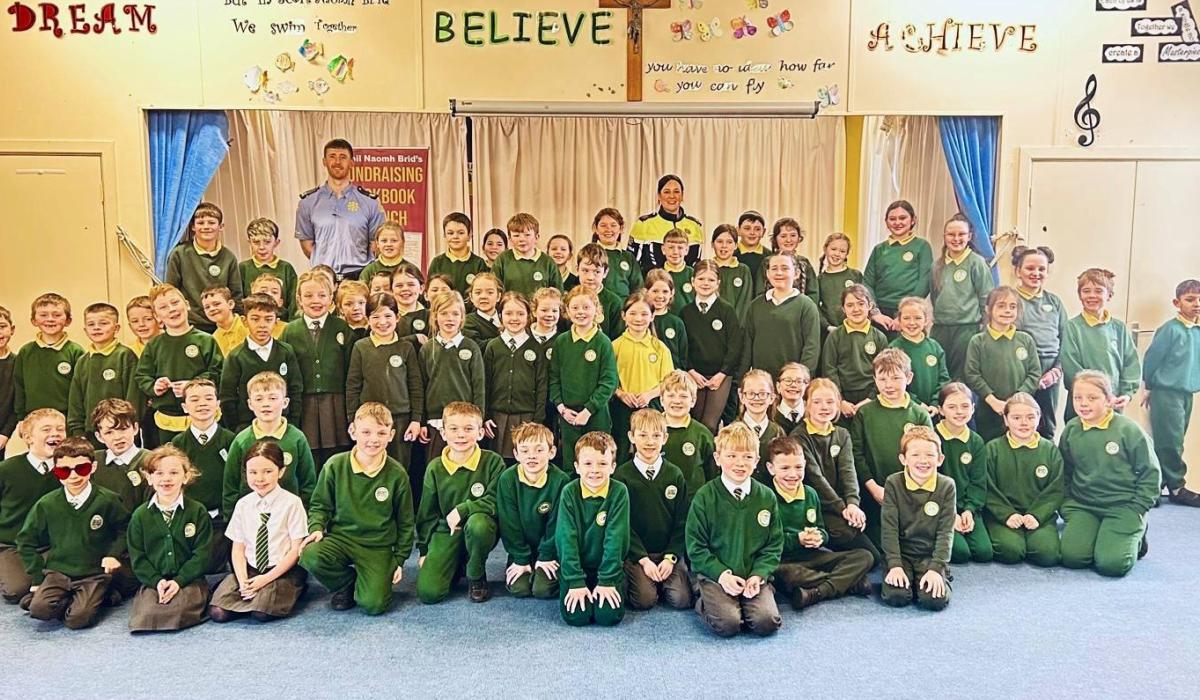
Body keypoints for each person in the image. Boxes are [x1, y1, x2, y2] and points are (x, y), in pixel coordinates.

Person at [300, 403, 415, 614]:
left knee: (373, 605)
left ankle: (368, 582)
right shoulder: (335, 465)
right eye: (366, 432)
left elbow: (406, 522)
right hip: (341, 539)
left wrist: (399, 559)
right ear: (353, 431)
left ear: (391, 435)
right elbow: (320, 505)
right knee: (310, 555)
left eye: (381, 433)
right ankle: (346, 583)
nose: (374, 439)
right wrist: (316, 527)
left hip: (377, 546)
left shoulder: (397, 474)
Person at [17, 436, 130, 629]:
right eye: (64, 471)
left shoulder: (108, 500)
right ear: (56, 471)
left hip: (93, 573)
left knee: (78, 620)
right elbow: (25, 540)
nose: (74, 476)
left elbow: (126, 529)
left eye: (81, 468)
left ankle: (101, 594)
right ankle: (89, 597)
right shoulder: (47, 504)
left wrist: (113, 554)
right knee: (39, 610)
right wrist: (37, 577)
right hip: (57, 572)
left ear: (93, 467)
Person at [685, 422, 783, 638]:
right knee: (728, 625)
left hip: (751, 576)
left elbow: (773, 546)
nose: (740, 463)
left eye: (747, 457)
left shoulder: (766, 497)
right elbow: (696, 548)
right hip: (716, 575)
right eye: (731, 456)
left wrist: (758, 575)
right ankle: (703, 596)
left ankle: (755, 596)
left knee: (766, 623)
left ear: (756, 461)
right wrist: (722, 575)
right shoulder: (705, 497)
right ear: (718, 458)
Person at [1060, 371, 1160, 576]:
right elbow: (1065, 471)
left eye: (1092, 397)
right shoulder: (1071, 429)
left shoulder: (1128, 430)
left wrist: (1139, 507)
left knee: (1111, 565)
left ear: (1108, 399)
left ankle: (1137, 534)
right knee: (1073, 558)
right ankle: (1101, 534)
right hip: (1084, 505)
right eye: (1077, 397)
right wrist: (1067, 503)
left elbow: (1150, 472)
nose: (1083, 403)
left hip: (1123, 505)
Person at [767, 436, 872, 610]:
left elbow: (823, 531)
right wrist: (797, 539)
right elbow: (767, 543)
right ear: (771, 469)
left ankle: (818, 592)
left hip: (812, 556)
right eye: (785, 468)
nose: (793, 474)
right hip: (784, 560)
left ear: (805, 465)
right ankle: (849, 582)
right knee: (786, 574)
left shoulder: (810, 494)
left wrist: (819, 538)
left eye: (799, 467)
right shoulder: (766, 497)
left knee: (864, 556)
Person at [209, 439, 308, 622]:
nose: (260, 479)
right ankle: (248, 591)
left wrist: (265, 579)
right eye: (252, 472)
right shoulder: (243, 504)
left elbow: (296, 550)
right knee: (218, 613)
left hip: (280, 569)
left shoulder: (292, 503)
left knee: (262, 612)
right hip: (251, 569)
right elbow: (238, 548)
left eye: (268, 471)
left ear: (281, 471)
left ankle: (295, 588)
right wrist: (242, 580)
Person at [415, 402, 504, 604]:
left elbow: (496, 501)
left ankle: (476, 574)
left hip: (480, 528)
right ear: (443, 433)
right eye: (453, 429)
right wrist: (423, 550)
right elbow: (426, 513)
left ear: (480, 433)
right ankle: (457, 564)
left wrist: (464, 509)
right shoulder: (435, 467)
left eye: (468, 429)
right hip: (447, 531)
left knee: (478, 524)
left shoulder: (493, 461)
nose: (461, 435)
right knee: (429, 593)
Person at [850, 349, 933, 547]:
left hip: (911, 494)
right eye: (883, 379)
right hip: (874, 493)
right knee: (880, 547)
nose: (889, 385)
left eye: (896, 378)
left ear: (909, 377)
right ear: (874, 379)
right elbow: (856, 454)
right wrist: (873, 488)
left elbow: (927, 458)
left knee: (920, 544)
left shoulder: (920, 415)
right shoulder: (864, 413)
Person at [125, 446, 213, 632]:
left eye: (174, 472)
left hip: (188, 579)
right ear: (149, 478)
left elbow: (202, 554)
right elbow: (138, 557)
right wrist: (157, 581)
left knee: (179, 609)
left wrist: (179, 581)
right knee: (146, 616)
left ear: (186, 476)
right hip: (155, 580)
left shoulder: (197, 511)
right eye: (159, 473)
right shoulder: (140, 516)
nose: (166, 479)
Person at [790, 379, 878, 564]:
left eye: (830, 402)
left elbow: (849, 472)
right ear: (806, 405)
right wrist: (842, 508)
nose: (824, 407)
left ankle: (836, 563)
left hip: (841, 507)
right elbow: (815, 478)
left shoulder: (842, 434)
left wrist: (853, 504)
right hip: (817, 506)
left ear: (838, 404)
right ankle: (829, 562)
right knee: (865, 555)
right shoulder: (799, 436)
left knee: (874, 556)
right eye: (817, 402)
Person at [614, 408, 691, 611]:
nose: (650, 442)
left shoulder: (675, 474)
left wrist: (671, 557)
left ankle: (665, 579)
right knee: (644, 601)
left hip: (667, 553)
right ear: (631, 436)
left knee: (682, 600)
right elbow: (623, 525)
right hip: (638, 555)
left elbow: (682, 521)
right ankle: (644, 579)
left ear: (665, 438)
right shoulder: (622, 476)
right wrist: (643, 560)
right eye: (643, 435)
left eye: (656, 435)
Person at [280, 270, 354, 469]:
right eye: (309, 295)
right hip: (304, 404)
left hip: (336, 404)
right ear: (299, 299)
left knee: (337, 454)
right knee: (309, 455)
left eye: (322, 295)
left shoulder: (342, 328)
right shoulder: (290, 331)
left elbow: (351, 371)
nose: (316, 300)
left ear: (331, 298)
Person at [555, 431, 630, 627]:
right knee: (576, 617)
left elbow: (616, 539)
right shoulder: (569, 492)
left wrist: (607, 580)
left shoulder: (619, 492)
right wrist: (575, 581)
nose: (595, 470)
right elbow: (566, 539)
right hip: (576, 567)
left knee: (608, 617)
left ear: (613, 467)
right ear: (577, 467)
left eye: (602, 464)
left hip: (607, 568)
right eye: (588, 464)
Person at [134, 284, 223, 445]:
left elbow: (217, 371)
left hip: (201, 417)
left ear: (187, 305)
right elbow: (142, 375)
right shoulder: (154, 345)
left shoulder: (206, 340)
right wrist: (154, 386)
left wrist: (192, 386)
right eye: (163, 307)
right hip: (166, 420)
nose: (171, 309)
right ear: (157, 316)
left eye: (175, 303)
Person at [220, 372, 317, 520]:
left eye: (272, 398)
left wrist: (306, 519)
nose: (266, 404)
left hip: (289, 517)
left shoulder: (297, 439)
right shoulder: (241, 441)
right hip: (250, 518)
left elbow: (308, 484)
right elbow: (230, 487)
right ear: (250, 404)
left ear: (285, 402)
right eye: (259, 399)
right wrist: (232, 522)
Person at [983, 393, 1063, 567]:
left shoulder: (1050, 450)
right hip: (1003, 516)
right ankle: (1014, 538)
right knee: (1010, 551)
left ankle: (1035, 538)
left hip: (1038, 515)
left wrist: (1037, 515)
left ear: (1039, 418)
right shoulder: (992, 449)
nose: (1024, 423)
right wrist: (1007, 515)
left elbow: (1056, 489)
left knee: (1047, 555)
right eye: (1016, 417)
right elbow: (987, 489)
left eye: (1030, 417)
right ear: (1006, 420)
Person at [880, 426, 955, 611]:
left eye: (930, 455)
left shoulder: (947, 486)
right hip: (902, 554)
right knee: (896, 596)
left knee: (933, 601)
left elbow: (946, 532)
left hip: (929, 555)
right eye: (915, 455)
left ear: (940, 459)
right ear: (903, 459)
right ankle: (906, 576)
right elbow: (889, 528)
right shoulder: (893, 483)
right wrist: (895, 565)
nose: (923, 461)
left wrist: (936, 567)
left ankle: (941, 575)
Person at [346, 294, 424, 467]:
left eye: (388, 316)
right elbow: (353, 386)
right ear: (367, 319)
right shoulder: (361, 347)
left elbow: (415, 386)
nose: (382, 322)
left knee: (400, 466)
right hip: (369, 420)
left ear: (397, 317)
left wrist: (416, 419)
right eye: (375, 317)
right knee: (370, 464)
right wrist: (352, 419)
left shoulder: (406, 347)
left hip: (401, 419)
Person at [495, 422, 570, 599]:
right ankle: (523, 563)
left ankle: (547, 570)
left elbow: (557, 525)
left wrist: (546, 556)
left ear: (551, 452)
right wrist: (520, 558)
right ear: (516, 454)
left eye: (539, 450)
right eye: (525, 451)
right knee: (520, 589)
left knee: (541, 590)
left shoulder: (561, 481)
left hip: (551, 551)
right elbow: (508, 524)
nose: (532, 456)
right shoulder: (507, 479)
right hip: (520, 549)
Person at [1142, 279, 1200, 506]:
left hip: (1186, 393)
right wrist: (1149, 387)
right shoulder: (1170, 330)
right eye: (1190, 299)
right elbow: (1152, 359)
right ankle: (1174, 485)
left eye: (1199, 300)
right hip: (1167, 392)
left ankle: (1165, 483)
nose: (1196, 304)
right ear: (1177, 303)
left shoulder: (1196, 330)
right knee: (1169, 442)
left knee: (1177, 439)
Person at [295, 139, 386, 281]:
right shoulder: (308, 202)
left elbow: (375, 245)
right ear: (324, 161)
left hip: (359, 278)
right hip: (322, 279)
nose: (337, 162)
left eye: (343, 157)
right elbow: (307, 245)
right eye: (332, 156)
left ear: (351, 163)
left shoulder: (370, 202)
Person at [549, 287, 619, 472]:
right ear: (567, 311)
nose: (581, 312)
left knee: (598, 462)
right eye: (575, 308)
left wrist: (588, 410)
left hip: (596, 415)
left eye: (586, 307)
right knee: (571, 465)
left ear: (596, 309)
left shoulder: (603, 342)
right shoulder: (561, 342)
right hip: (568, 416)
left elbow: (609, 381)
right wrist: (561, 408)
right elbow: (554, 378)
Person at [0, 409, 64, 604]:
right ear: (28, 437)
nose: (55, 434)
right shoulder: (7, 470)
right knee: (17, 590)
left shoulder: (71, 470)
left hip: (52, 544)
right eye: (46, 429)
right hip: (12, 544)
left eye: (60, 429)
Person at [171, 378, 235, 572]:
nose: (202, 404)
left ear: (218, 404)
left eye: (208, 398)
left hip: (223, 519)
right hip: (191, 518)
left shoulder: (231, 440)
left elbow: (238, 482)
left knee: (218, 567)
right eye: (195, 399)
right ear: (184, 406)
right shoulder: (178, 443)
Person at [1061, 268, 1140, 423]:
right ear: (1080, 295)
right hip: (1082, 405)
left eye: (1098, 291)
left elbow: (1131, 363)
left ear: (1109, 295)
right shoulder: (1073, 327)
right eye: (1086, 291)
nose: (1092, 295)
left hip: (1112, 403)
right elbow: (1070, 365)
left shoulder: (1119, 328)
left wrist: (1126, 394)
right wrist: (1094, 396)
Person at [964, 286, 1042, 441]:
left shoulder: (1025, 340)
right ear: (988, 309)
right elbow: (972, 374)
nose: (1007, 310)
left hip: (1020, 411)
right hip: (989, 410)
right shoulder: (978, 341)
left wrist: (1015, 401)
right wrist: (993, 401)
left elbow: (1034, 373)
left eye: (1012, 307)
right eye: (1001, 306)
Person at [218, 295, 302, 433]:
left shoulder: (286, 352)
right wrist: (237, 429)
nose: (262, 325)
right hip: (247, 427)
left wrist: (292, 424)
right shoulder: (235, 357)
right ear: (245, 321)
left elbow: (295, 390)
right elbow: (227, 398)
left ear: (276, 322)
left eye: (268, 319)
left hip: (282, 425)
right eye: (255, 319)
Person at [418, 291, 486, 460]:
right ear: (435, 316)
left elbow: (479, 387)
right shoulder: (428, 349)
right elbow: (420, 387)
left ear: (462, 317)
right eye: (444, 313)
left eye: (455, 314)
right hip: (435, 422)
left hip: (465, 423)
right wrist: (421, 421)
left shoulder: (471, 347)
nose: (450, 318)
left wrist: (479, 420)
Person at [483, 292, 548, 460]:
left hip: (526, 417)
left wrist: (537, 420)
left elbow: (542, 385)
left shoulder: (535, 347)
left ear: (529, 316)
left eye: (520, 314)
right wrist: (486, 416)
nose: (514, 318)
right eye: (509, 313)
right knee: (498, 461)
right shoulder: (493, 347)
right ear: (500, 315)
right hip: (497, 418)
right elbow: (485, 384)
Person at [1012, 246, 1068, 438]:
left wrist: (1057, 370)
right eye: (1030, 268)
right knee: (1017, 420)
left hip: (1049, 370)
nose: (1036, 273)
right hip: (1018, 369)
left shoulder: (1054, 302)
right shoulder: (1009, 299)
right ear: (1018, 271)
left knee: (1046, 424)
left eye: (1041, 269)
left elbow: (1065, 340)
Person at [680, 261, 742, 434]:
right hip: (695, 375)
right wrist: (691, 371)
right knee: (695, 421)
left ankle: (713, 461)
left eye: (711, 280)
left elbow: (735, 345)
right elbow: (683, 346)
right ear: (692, 281)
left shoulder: (727, 310)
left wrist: (722, 374)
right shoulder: (686, 312)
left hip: (720, 376)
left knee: (709, 424)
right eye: (701, 279)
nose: (705, 283)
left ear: (718, 283)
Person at [930, 214, 994, 381]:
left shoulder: (977, 263)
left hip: (967, 329)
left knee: (962, 378)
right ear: (944, 237)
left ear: (969, 236)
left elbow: (986, 298)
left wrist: (985, 329)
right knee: (941, 375)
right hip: (941, 328)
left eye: (961, 234)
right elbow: (935, 296)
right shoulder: (937, 265)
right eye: (951, 234)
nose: (956, 239)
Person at [611, 291, 674, 461]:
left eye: (644, 314)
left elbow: (668, 383)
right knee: (622, 450)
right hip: (622, 405)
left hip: (650, 404)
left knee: (650, 449)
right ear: (624, 316)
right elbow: (608, 379)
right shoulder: (614, 346)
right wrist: (621, 393)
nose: (638, 319)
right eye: (632, 313)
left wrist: (649, 395)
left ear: (653, 316)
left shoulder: (660, 348)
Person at [740, 253, 821, 380]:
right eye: (774, 268)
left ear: (796, 274)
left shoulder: (806, 306)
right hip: (762, 383)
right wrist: (741, 378)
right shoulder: (755, 306)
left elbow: (811, 348)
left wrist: (802, 379)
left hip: (792, 382)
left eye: (785, 268)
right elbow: (746, 347)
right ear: (767, 274)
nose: (779, 273)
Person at [936, 383, 993, 564]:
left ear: (973, 408)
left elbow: (978, 482)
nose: (959, 412)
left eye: (965, 406)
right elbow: (930, 482)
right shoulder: (933, 438)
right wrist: (951, 514)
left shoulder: (976, 441)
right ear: (941, 410)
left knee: (984, 553)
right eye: (952, 407)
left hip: (966, 506)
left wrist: (969, 510)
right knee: (960, 553)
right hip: (940, 509)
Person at [166, 202, 243, 332]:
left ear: (221, 226)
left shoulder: (229, 257)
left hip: (223, 325)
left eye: (211, 223)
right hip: (191, 324)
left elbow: (236, 294)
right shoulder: (179, 254)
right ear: (193, 227)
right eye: (201, 223)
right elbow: (171, 291)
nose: (206, 227)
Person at [67, 302, 139, 437]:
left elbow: (134, 396)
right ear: (85, 330)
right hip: (91, 433)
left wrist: (125, 425)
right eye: (91, 324)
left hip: (120, 430)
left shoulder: (125, 356)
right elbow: (75, 400)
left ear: (116, 328)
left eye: (103, 323)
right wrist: (78, 431)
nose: (96, 328)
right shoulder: (83, 361)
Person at [864, 200, 933, 336]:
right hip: (880, 315)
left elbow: (924, 282)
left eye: (902, 218)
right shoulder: (879, 249)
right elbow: (867, 283)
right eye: (892, 219)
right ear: (886, 222)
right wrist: (875, 313)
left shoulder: (922, 246)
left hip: (908, 316)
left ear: (913, 220)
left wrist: (905, 314)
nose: (897, 222)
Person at [820, 283, 890, 415]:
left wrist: (871, 398)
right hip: (842, 398)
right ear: (843, 309)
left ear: (869, 306)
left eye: (861, 304)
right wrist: (840, 400)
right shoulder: (835, 337)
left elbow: (884, 372)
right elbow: (829, 370)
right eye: (850, 305)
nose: (856, 309)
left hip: (871, 398)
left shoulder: (879, 337)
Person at [13, 292, 85, 419]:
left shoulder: (76, 352)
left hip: (66, 418)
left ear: (68, 320)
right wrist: (20, 417)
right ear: (34, 321)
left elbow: (81, 391)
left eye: (57, 315)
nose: (50, 319)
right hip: (33, 418)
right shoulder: (25, 352)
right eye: (43, 315)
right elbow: (19, 386)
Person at [659, 371, 717, 508]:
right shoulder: (652, 432)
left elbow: (712, 474)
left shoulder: (703, 435)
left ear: (693, 401)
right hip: (658, 504)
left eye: (683, 396)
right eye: (671, 395)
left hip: (693, 505)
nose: (677, 401)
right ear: (661, 400)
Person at [627, 174, 703, 272]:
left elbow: (698, 266)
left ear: (682, 195)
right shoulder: (643, 224)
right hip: (652, 284)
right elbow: (632, 265)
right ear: (659, 196)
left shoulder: (694, 226)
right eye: (667, 192)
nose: (672, 196)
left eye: (676, 192)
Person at [889, 296, 951, 413]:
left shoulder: (935, 347)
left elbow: (944, 379)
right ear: (899, 320)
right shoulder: (894, 349)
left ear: (926, 320)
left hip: (933, 410)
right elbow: (892, 382)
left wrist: (935, 402)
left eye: (918, 318)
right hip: (907, 409)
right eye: (906, 318)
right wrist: (916, 403)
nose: (912, 323)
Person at [88, 399, 149, 513]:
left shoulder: (150, 461)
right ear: (99, 436)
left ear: (135, 428)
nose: (117, 437)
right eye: (109, 432)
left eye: (123, 429)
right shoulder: (93, 462)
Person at [240, 218, 299, 322]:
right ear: (249, 242)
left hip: (282, 324)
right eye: (256, 242)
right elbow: (239, 301)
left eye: (267, 242)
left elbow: (293, 303)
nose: (262, 247)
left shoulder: (286, 268)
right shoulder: (243, 268)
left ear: (276, 242)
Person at [492, 213, 562, 297]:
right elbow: (494, 290)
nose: (522, 239)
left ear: (537, 237)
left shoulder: (548, 262)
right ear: (510, 239)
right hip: (510, 309)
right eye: (516, 235)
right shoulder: (502, 260)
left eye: (527, 235)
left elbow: (557, 294)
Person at [736, 369, 785, 480]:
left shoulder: (778, 432)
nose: (756, 398)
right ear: (741, 396)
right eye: (751, 393)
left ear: (772, 398)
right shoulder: (731, 432)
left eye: (763, 394)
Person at [427, 212, 490, 295]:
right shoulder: (437, 262)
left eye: (461, 233)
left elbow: (483, 292)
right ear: (444, 236)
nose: (455, 237)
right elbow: (431, 292)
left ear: (469, 235)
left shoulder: (479, 263)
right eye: (450, 233)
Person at [591, 208, 643, 300]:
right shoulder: (589, 253)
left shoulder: (628, 257)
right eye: (603, 225)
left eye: (613, 225)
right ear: (595, 228)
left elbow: (638, 288)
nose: (608, 229)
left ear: (621, 228)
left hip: (623, 308)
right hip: (595, 305)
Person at [574, 244, 623, 339]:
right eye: (585, 270)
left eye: (597, 272)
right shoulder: (569, 299)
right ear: (577, 270)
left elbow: (617, 338)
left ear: (605, 272)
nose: (590, 277)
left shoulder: (614, 303)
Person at [816, 233, 864, 331]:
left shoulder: (856, 275)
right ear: (825, 249)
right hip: (829, 332)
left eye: (842, 251)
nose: (837, 254)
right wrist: (827, 327)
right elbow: (815, 308)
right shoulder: (819, 280)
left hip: (855, 329)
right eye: (833, 249)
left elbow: (865, 303)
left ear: (846, 254)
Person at [768, 217, 820, 306]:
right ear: (775, 239)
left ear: (799, 238)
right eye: (783, 236)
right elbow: (760, 292)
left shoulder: (804, 263)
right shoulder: (767, 262)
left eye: (793, 235)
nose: (788, 240)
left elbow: (813, 293)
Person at [644, 269, 689, 370]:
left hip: (672, 378)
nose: (660, 296)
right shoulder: (641, 321)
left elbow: (683, 358)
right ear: (646, 291)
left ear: (672, 293)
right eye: (655, 291)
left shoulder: (676, 323)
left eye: (665, 291)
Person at [711, 224, 754, 317]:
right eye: (719, 241)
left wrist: (733, 323)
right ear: (712, 244)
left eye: (729, 242)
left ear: (736, 245)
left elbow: (745, 302)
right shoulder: (707, 269)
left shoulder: (743, 270)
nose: (724, 246)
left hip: (735, 326)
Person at [202, 286, 247, 357]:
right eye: (207, 307)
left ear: (230, 304)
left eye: (216, 304)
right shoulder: (213, 340)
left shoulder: (248, 325)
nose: (212, 309)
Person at [661, 229, 696, 316]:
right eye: (671, 247)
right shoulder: (657, 276)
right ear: (663, 249)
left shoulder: (694, 275)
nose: (675, 252)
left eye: (680, 248)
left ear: (687, 250)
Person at [463, 272, 504, 346]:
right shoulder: (467, 322)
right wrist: (507, 338)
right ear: (471, 296)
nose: (483, 296)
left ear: (498, 296)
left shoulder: (506, 318)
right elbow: (477, 346)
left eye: (490, 292)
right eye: (478, 293)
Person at [734, 211, 769, 297]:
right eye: (747, 228)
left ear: (763, 232)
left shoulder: (771, 257)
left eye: (757, 229)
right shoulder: (731, 255)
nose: (752, 233)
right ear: (738, 230)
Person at [774, 363, 810, 436]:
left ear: (806, 387)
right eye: (788, 380)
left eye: (799, 381)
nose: (793, 385)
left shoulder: (813, 415)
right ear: (778, 386)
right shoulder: (771, 415)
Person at [0, 307, 13, 455]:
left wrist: (5, 433)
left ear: (12, 329)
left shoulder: (18, 362)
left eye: (2, 327)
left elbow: (16, 405)